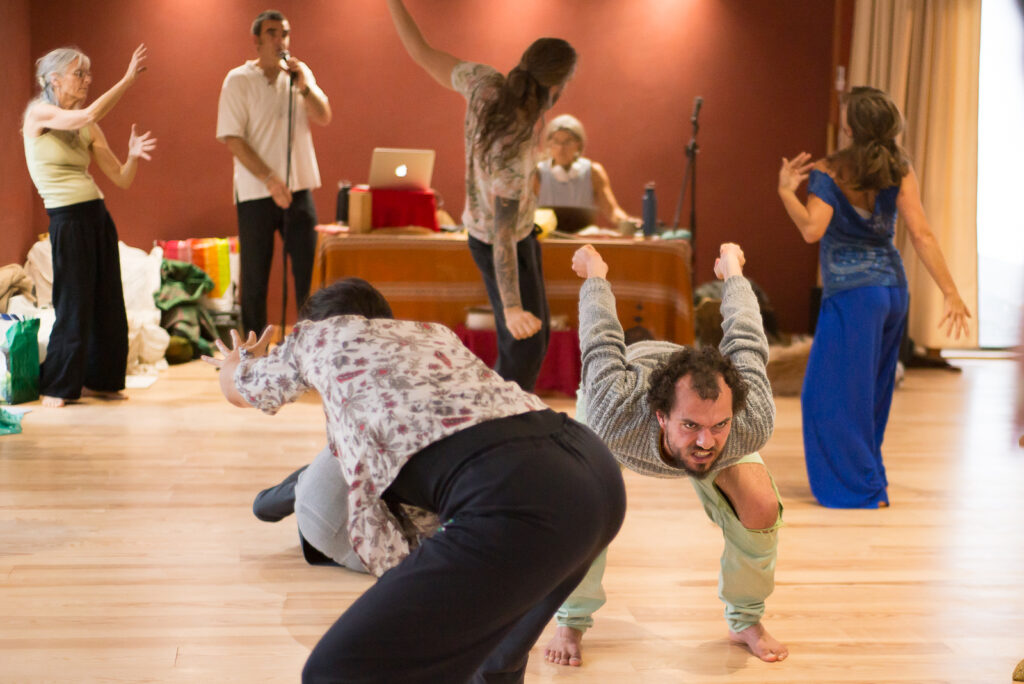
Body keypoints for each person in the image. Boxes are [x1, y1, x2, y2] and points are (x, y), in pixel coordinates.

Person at [204, 276, 626, 683]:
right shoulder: (434, 333)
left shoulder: (314, 337)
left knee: (335, 669)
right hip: (594, 473)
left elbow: (237, 387)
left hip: (508, 492)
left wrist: (236, 360)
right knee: (494, 662)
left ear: (312, 324)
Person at [545, 242, 788, 667]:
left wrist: (733, 272)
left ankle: (745, 619)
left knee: (761, 504)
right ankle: (571, 618)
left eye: (719, 427)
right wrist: (595, 275)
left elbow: (746, 333)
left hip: (687, 381)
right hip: (629, 390)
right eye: (691, 427)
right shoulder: (614, 412)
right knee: (577, 499)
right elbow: (600, 334)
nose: (706, 443)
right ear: (661, 418)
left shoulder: (750, 421)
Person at [777, 86, 971, 509]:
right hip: (892, 292)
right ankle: (869, 479)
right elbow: (921, 234)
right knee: (869, 394)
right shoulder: (898, 167)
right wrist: (951, 293)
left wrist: (786, 193)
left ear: (851, 125)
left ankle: (861, 489)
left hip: (853, 298)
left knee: (825, 397)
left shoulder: (831, 171)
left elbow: (812, 230)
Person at [387, 0, 577, 392]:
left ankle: (501, 416)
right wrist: (510, 307)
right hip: (497, 241)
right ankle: (496, 424)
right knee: (523, 348)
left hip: (515, 234)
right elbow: (501, 236)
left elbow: (423, 54)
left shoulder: (483, 82)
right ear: (555, 88)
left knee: (533, 342)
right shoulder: (514, 143)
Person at [22, 45, 156, 408]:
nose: (86, 80)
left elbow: (121, 179)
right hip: (67, 220)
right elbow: (89, 113)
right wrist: (128, 80)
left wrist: (131, 156)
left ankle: (102, 380)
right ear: (54, 79)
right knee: (74, 302)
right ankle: (59, 385)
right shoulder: (40, 114)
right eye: (79, 73)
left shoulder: (87, 125)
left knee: (109, 301)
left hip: (97, 216)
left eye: (88, 73)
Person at [216, 9, 331, 335]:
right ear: (256, 40)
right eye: (272, 34)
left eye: (284, 33)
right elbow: (232, 138)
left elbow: (324, 115)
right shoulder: (238, 80)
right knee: (255, 275)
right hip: (256, 192)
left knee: (308, 272)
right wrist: (269, 178)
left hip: (298, 188)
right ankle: (253, 349)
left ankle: (311, 344)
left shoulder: (297, 75)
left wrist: (305, 86)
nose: (280, 40)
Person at [532, 114, 637, 229]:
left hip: (583, 236)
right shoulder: (538, 173)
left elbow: (612, 211)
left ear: (579, 145)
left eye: (568, 142)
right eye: (556, 142)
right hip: (548, 238)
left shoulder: (593, 172)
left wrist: (627, 222)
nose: (561, 148)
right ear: (549, 144)